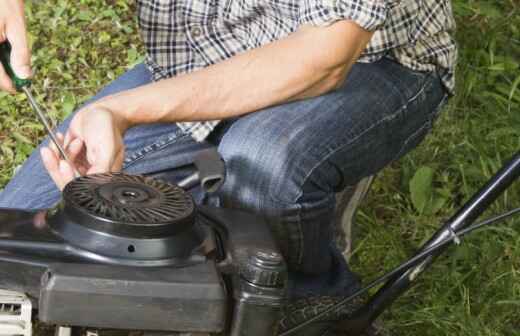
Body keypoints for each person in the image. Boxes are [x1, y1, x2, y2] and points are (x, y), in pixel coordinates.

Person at [0, 0, 457, 334]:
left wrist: (123, 111)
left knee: (262, 163)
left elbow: (326, 56)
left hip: (372, 62)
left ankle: (319, 302)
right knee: (25, 238)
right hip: (212, 52)